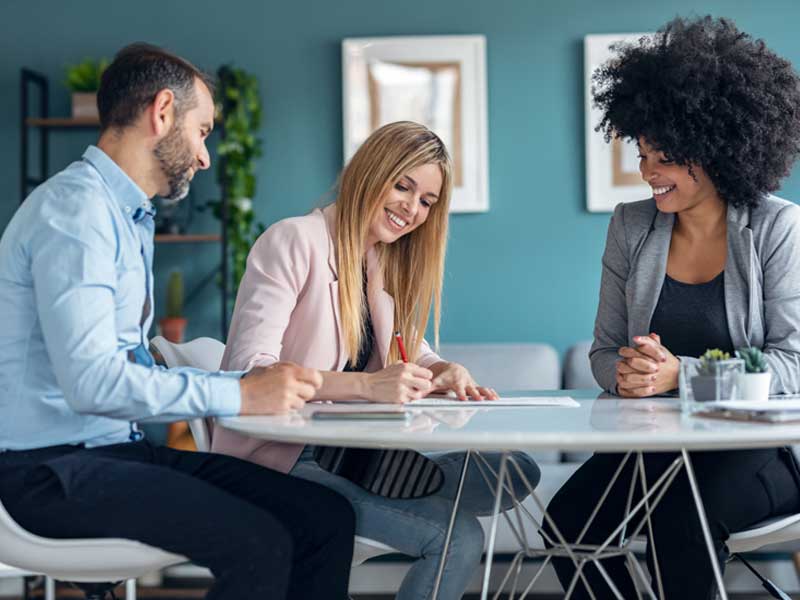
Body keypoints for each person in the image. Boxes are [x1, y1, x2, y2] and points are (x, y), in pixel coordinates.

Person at [0, 43, 355, 600]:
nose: (205, 155)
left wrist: (248, 389)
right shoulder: (75, 212)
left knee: (323, 517)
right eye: (203, 130)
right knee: (258, 543)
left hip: (113, 454)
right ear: (162, 111)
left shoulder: (125, 216)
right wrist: (241, 395)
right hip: (46, 472)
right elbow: (93, 383)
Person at [211, 121, 541, 600]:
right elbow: (252, 369)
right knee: (458, 535)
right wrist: (367, 388)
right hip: (284, 458)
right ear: (370, 172)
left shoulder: (379, 262)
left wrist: (440, 369)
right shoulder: (293, 241)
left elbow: (406, 349)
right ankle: (404, 493)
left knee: (512, 470)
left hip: (350, 448)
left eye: (427, 201)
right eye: (403, 185)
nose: (412, 208)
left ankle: (397, 486)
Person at [544, 16, 800, 599]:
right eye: (642, 153)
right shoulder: (631, 225)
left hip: (753, 451)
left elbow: (794, 363)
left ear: (717, 149)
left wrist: (683, 374)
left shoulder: (776, 227)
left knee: (677, 519)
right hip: (657, 448)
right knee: (568, 526)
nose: (648, 171)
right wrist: (631, 376)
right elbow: (605, 353)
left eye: (665, 155)